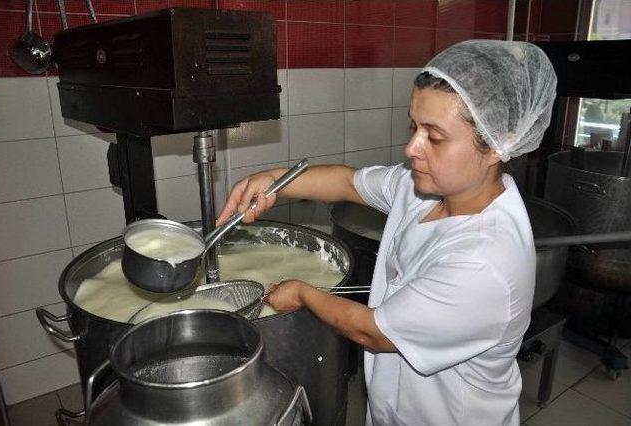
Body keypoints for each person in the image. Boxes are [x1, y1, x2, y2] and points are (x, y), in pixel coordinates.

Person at [216, 40, 557, 425]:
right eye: (414, 126)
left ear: (496, 145)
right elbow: (347, 184)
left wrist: (303, 293)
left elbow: (373, 332)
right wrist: (273, 181)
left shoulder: (485, 261)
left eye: (436, 136)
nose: (412, 147)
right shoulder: (426, 189)